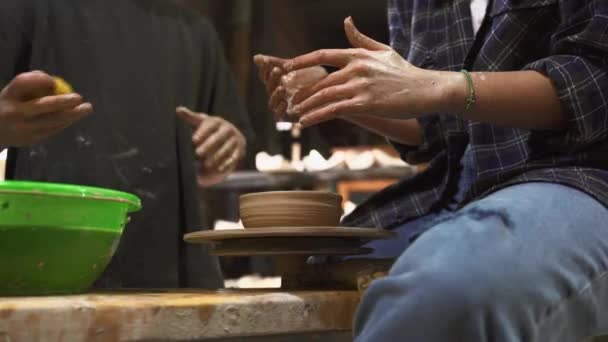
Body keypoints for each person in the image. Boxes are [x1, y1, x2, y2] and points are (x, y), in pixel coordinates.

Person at [255, 0, 608, 340]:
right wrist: (332, 92)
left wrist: (443, 86)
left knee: (448, 288)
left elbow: (595, 85)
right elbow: (435, 129)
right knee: (313, 283)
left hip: (582, 175)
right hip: (454, 187)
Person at [0, 0, 253, 289]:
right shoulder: (24, 8)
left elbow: (226, 151)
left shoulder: (194, 29)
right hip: (49, 264)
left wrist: (225, 147)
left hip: (175, 277)